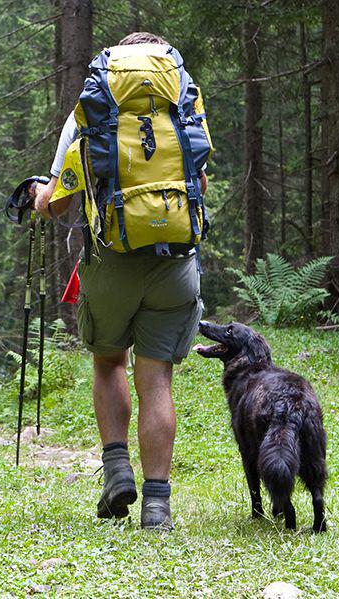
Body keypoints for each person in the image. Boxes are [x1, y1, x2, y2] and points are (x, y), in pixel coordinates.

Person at [33, 32, 210, 531]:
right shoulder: (183, 104)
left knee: (109, 361)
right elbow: (197, 185)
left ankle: (116, 473)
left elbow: (60, 201)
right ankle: (157, 506)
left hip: (110, 260)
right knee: (157, 377)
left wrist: (38, 196)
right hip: (175, 262)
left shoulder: (91, 109)